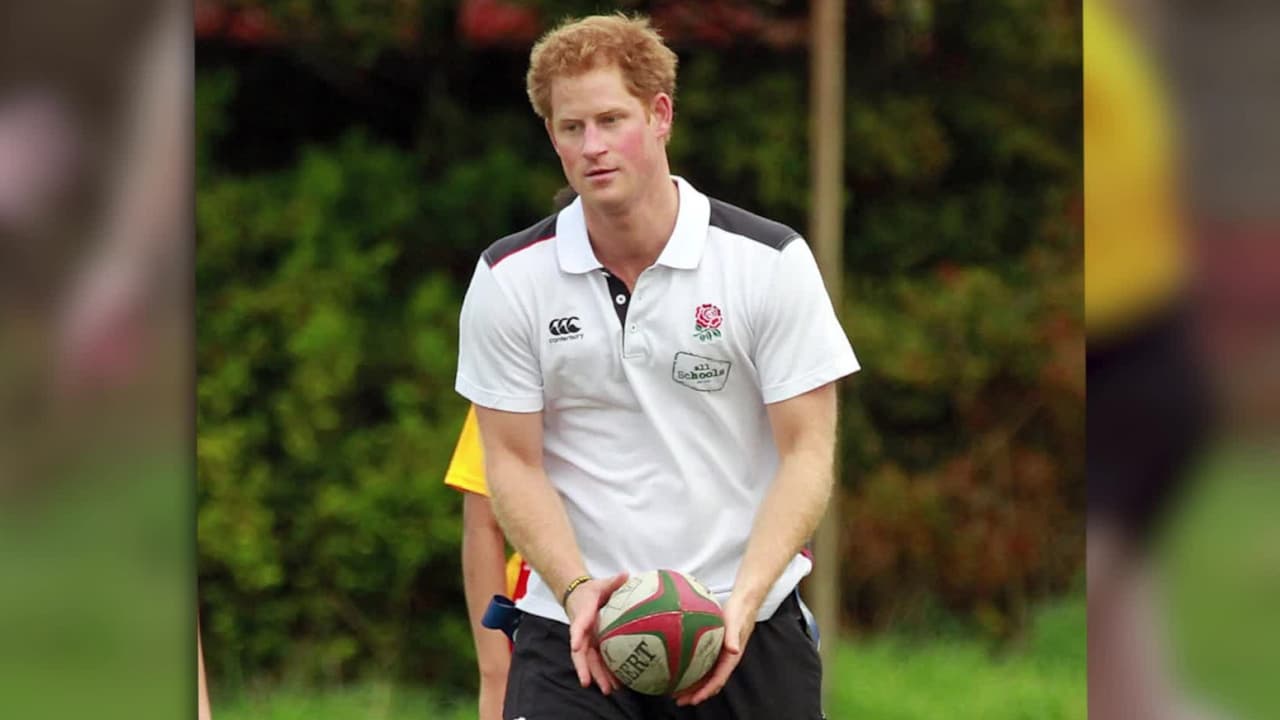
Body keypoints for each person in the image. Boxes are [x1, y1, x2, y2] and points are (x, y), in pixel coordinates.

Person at [455, 13, 858, 720]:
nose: (593, 146)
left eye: (611, 120)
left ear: (660, 114)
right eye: (572, 127)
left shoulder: (769, 263)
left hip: (746, 625)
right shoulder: (508, 278)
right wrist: (578, 592)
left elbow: (807, 452)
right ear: (552, 136)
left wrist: (742, 603)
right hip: (575, 632)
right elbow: (511, 463)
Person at [1084, 1, 1217, 718]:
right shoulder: (1103, 50)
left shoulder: (1108, 50)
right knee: (1115, 578)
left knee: (1113, 571)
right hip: (1124, 339)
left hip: (1133, 338)